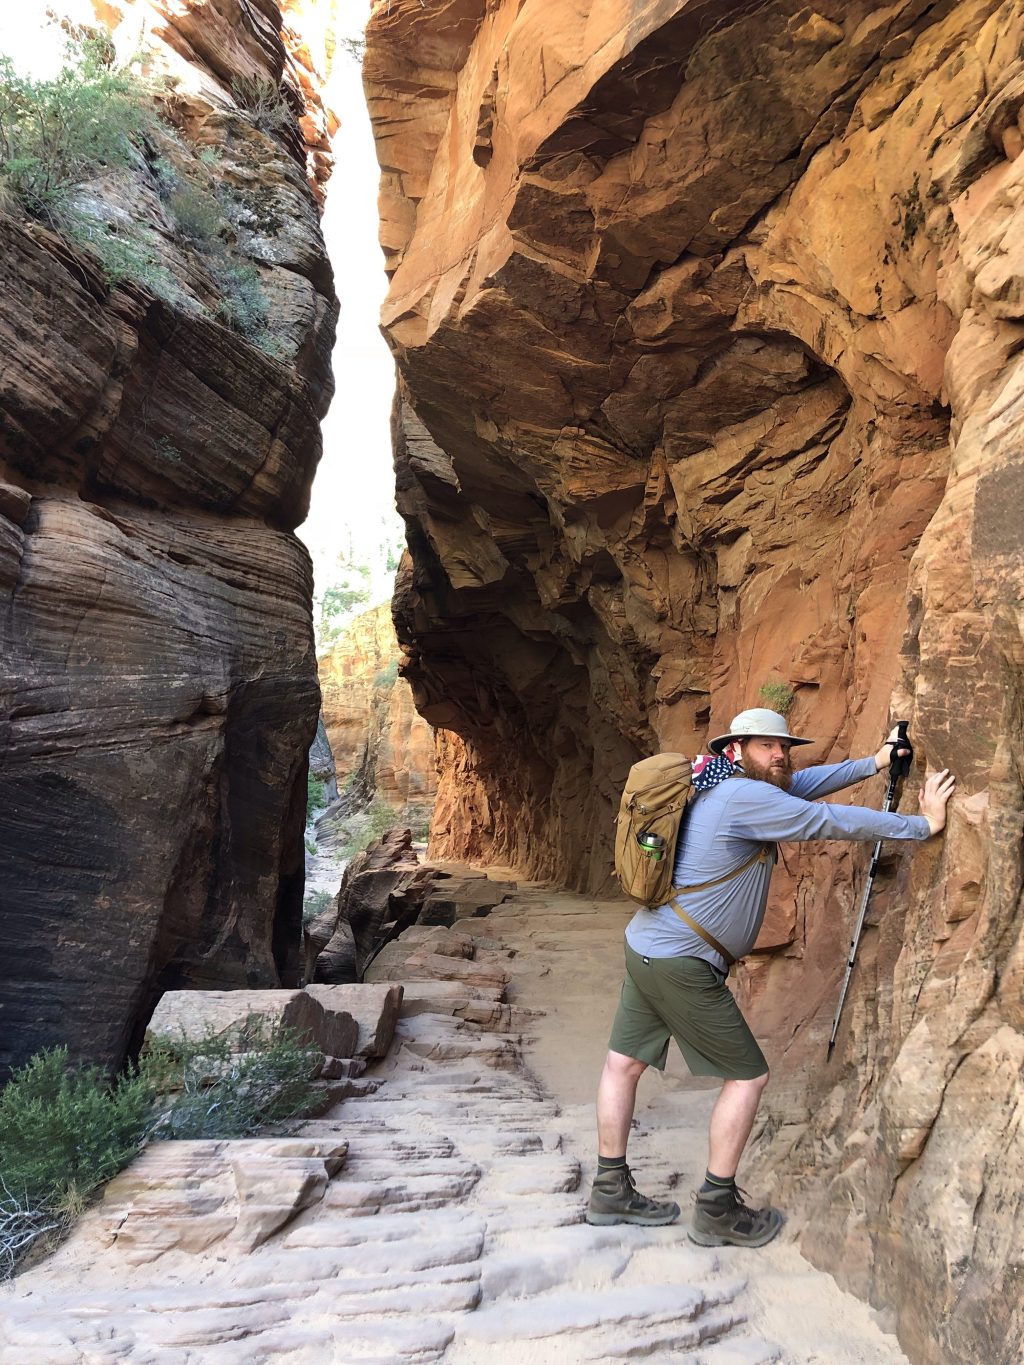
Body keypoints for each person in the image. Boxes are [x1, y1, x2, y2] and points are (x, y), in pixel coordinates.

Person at [586, 707, 956, 1247]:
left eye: (783, 746)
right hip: (682, 962)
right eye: (766, 746)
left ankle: (610, 1191)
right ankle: (716, 1209)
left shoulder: (718, 784)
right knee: (749, 1077)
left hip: (648, 946)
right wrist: (920, 826)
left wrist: (875, 762)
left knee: (622, 1066)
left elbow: (801, 786)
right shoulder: (745, 797)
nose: (779, 755)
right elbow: (828, 821)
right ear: (737, 748)